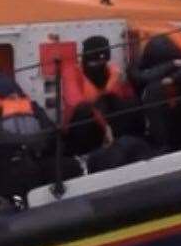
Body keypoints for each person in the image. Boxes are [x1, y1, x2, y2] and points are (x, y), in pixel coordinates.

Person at [0, 75, 82, 202]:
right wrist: (25, 141)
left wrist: (36, 141)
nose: (13, 96)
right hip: (7, 158)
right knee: (21, 176)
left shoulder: (32, 106)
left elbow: (49, 128)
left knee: (69, 166)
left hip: (37, 154)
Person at [60, 37, 155, 173]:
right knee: (85, 110)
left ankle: (137, 146)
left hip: (112, 127)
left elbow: (128, 96)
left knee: (129, 103)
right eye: (94, 61)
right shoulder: (71, 73)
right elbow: (76, 103)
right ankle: (85, 157)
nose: (98, 64)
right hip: (83, 128)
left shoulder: (113, 72)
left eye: (102, 61)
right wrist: (105, 127)